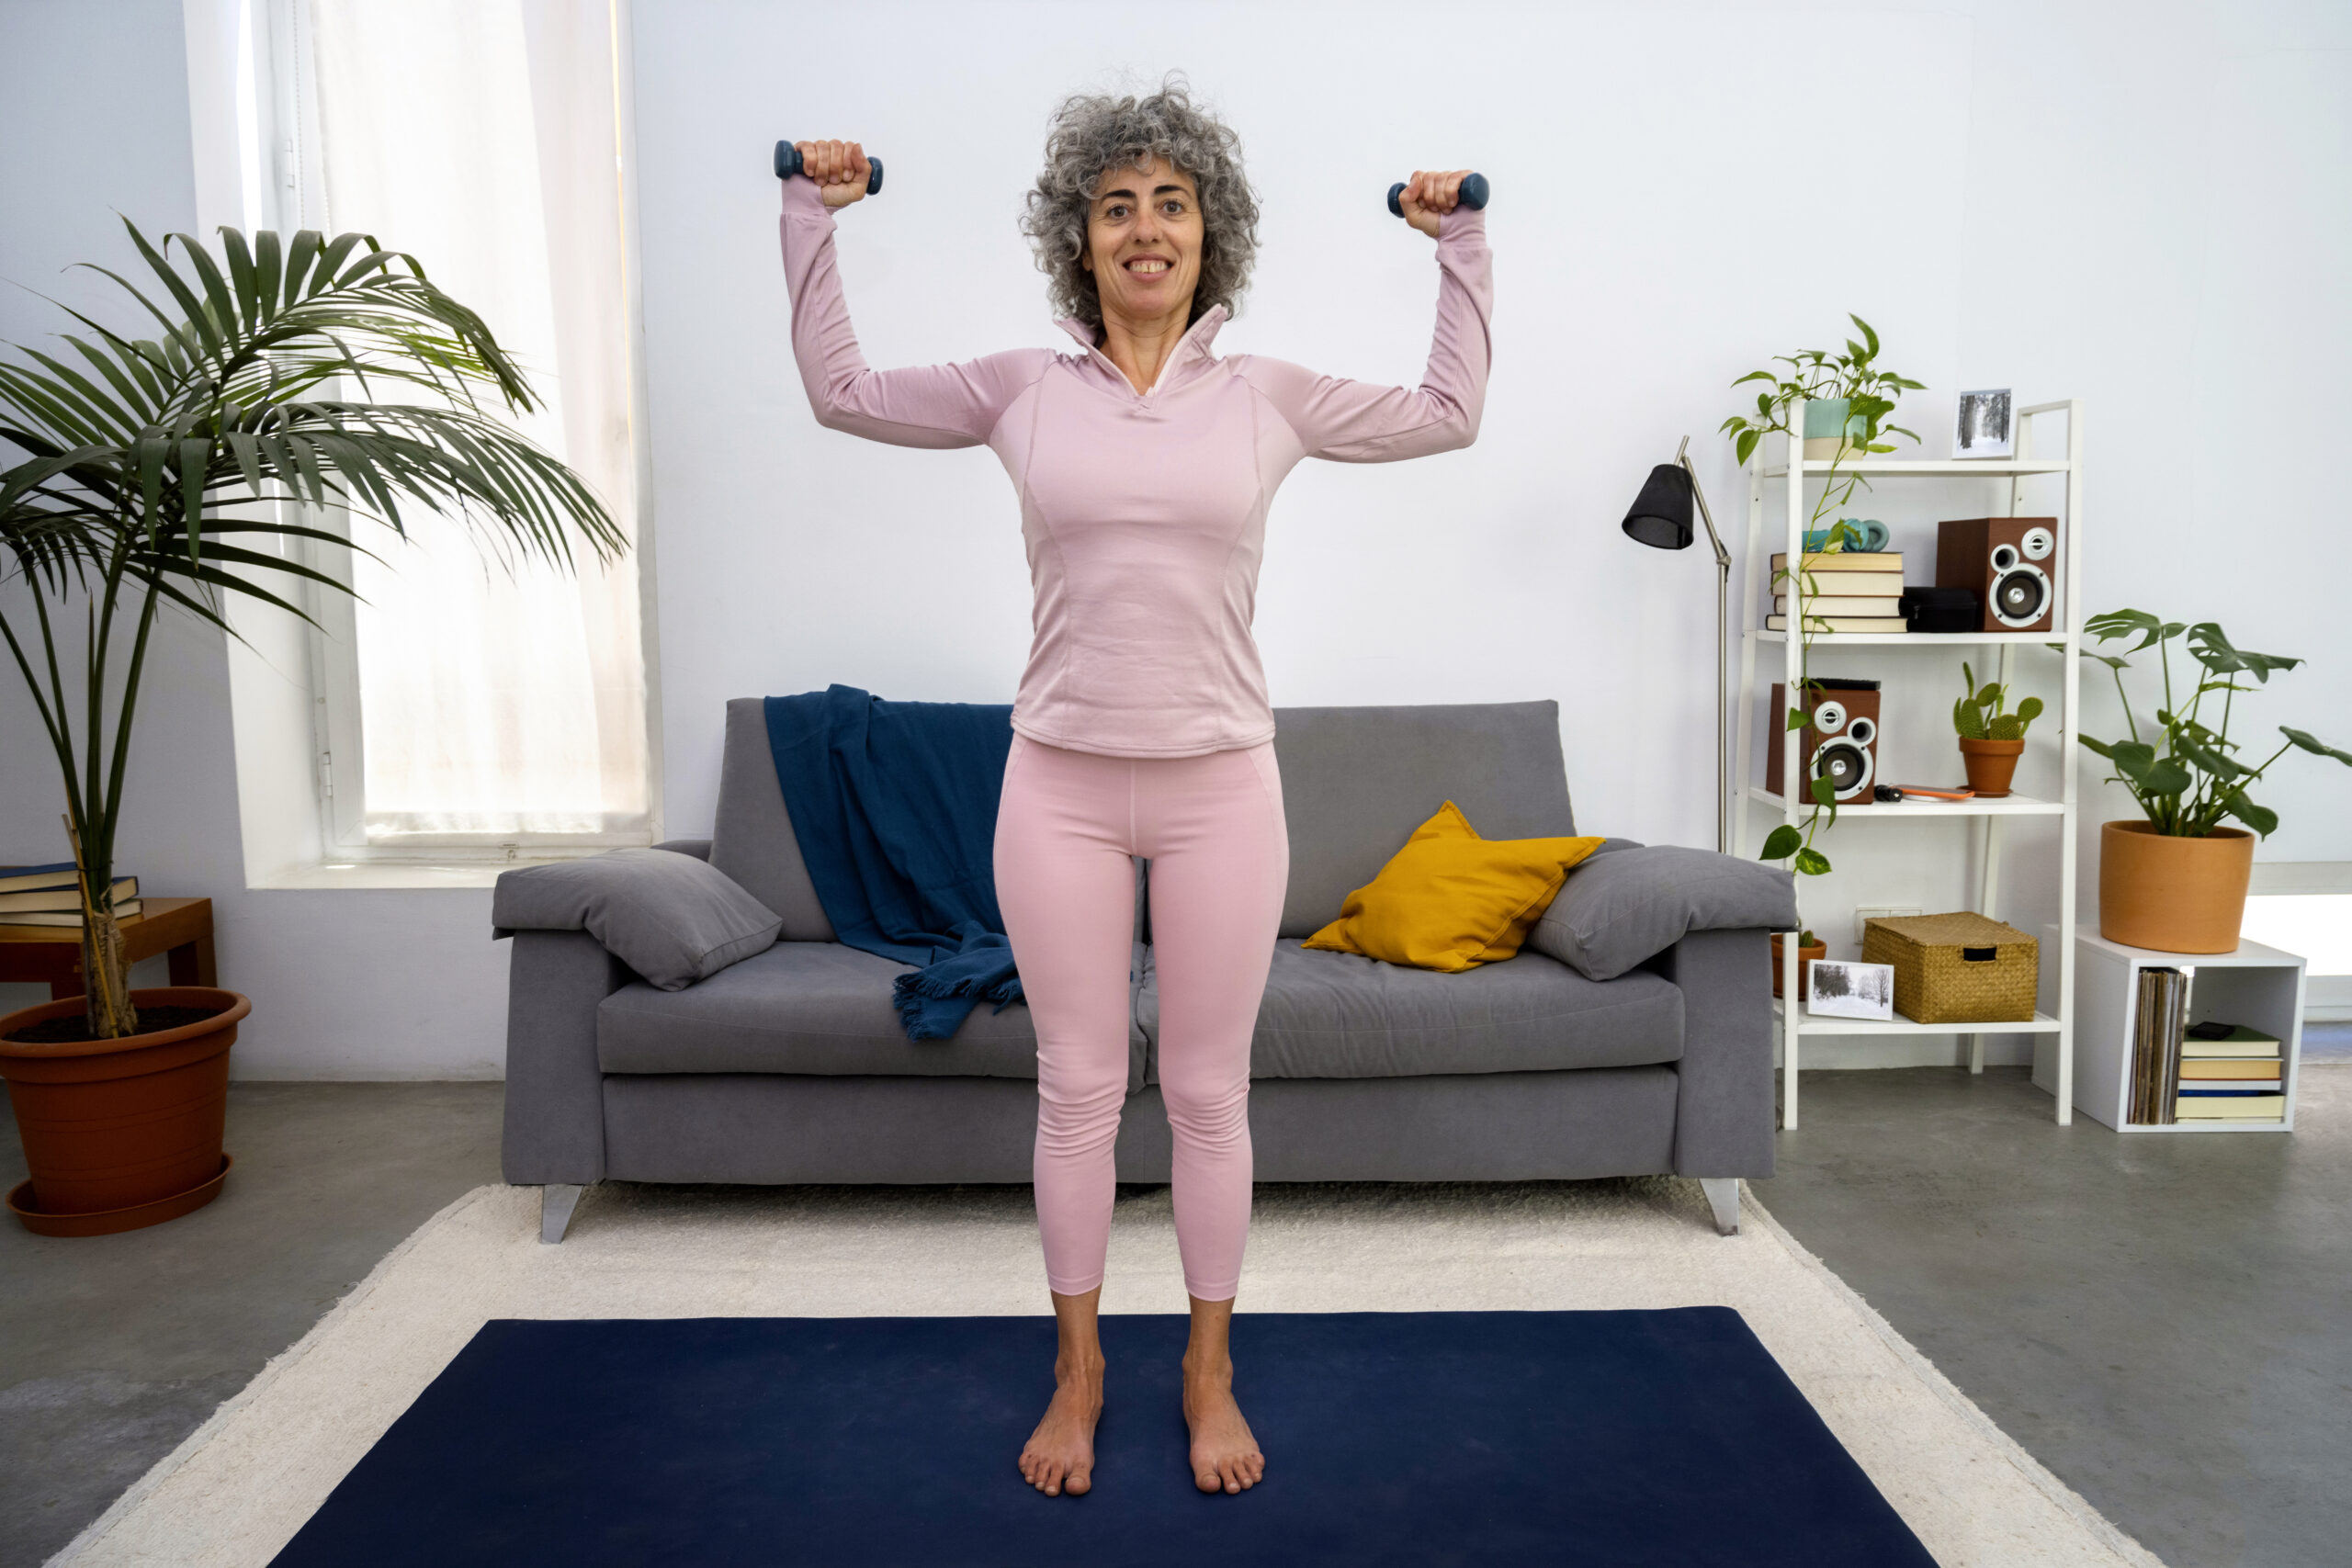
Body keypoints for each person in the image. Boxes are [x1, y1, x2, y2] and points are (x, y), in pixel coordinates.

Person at [776, 74, 1491, 1500]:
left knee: (1211, 1094)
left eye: (1170, 204)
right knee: (1079, 1089)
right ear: (1080, 244)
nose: (1144, 227)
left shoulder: (1268, 397)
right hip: (1060, 789)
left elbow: (1448, 413)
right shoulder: (1020, 392)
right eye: (1115, 207)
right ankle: (1081, 1363)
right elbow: (840, 393)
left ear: (1207, 237)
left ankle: (1208, 1365)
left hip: (1224, 788)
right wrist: (811, 213)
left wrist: (1457, 247)